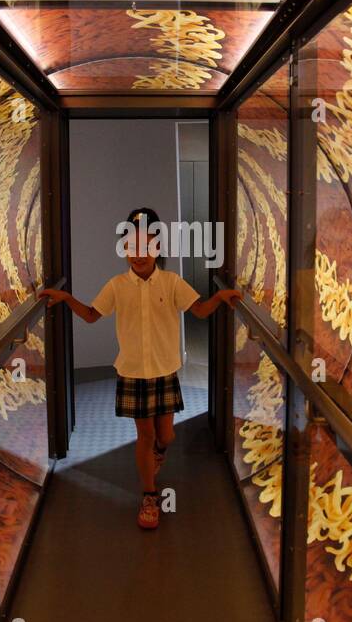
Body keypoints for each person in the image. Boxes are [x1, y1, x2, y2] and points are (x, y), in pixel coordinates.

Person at [38, 207, 240, 529]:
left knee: (166, 435)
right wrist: (65, 298)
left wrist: (220, 298)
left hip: (165, 371)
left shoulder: (171, 282)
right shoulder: (117, 285)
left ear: (158, 247)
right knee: (145, 435)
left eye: (146, 246)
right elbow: (91, 315)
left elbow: (201, 310)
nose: (138, 254)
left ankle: (159, 452)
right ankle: (149, 496)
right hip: (132, 373)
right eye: (131, 246)